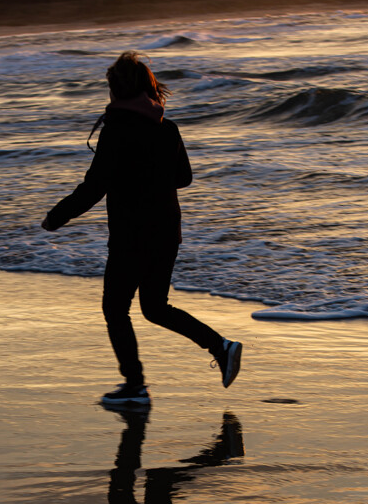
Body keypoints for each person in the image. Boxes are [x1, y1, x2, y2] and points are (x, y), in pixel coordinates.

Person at [41, 51, 242, 408]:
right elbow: (184, 178)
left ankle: (135, 386)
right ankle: (220, 347)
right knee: (154, 307)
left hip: (132, 234)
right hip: (166, 232)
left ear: (117, 89)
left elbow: (94, 186)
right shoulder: (167, 127)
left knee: (116, 309)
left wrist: (58, 215)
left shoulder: (117, 129)